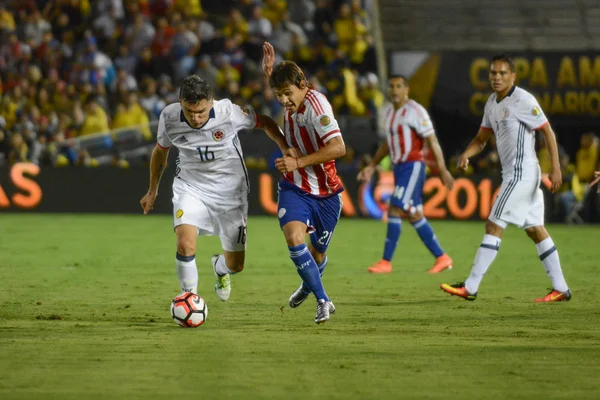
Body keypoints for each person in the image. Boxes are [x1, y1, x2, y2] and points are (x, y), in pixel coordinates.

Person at [140, 75, 287, 301]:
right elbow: (161, 151)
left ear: (211, 101)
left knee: (236, 265)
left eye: (202, 112)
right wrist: (153, 190)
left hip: (229, 192)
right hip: (190, 185)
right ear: (180, 102)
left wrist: (286, 149)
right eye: (190, 112)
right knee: (185, 243)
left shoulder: (229, 112)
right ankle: (189, 299)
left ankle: (220, 268)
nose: (197, 118)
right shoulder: (169, 117)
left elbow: (265, 122)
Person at [440, 54, 571, 303]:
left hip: (522, 174)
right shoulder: (492, 103)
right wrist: (466, 154)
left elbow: (547, 131)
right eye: (493, 73)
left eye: (502, 73)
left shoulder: (523, 100)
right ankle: (561, 288)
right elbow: (481, 139)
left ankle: (470, 286)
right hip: (514, 174)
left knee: (493, 225)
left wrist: (556, 167)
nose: (496, 77)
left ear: (513, 76)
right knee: (535, 230)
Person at [262, 42, 346, 324]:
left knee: (318, 253)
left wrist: (298, 161)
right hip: (294, 187)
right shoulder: (292, 95)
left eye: (287, 94)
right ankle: (323, 300)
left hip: (326, 191)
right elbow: (283, 87)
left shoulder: (316, 106)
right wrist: (269, 73)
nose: (284, 100)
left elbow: (338, 148)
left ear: (302, 85)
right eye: (278, 95)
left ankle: (309, 285)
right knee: (294, 239)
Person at [357, 75, 455, 274]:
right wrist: (372, 165)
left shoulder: (415, 111)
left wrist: (443, 169)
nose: (394, 90)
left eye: (399, 86)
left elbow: (432, 140)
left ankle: (386, 261)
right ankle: (442, 257)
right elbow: (387, 144)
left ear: (406, 89)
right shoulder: (390, 113)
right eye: (391, 86)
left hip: (413, 166)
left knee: (394, 208)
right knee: (414, 214)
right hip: (400, 168)